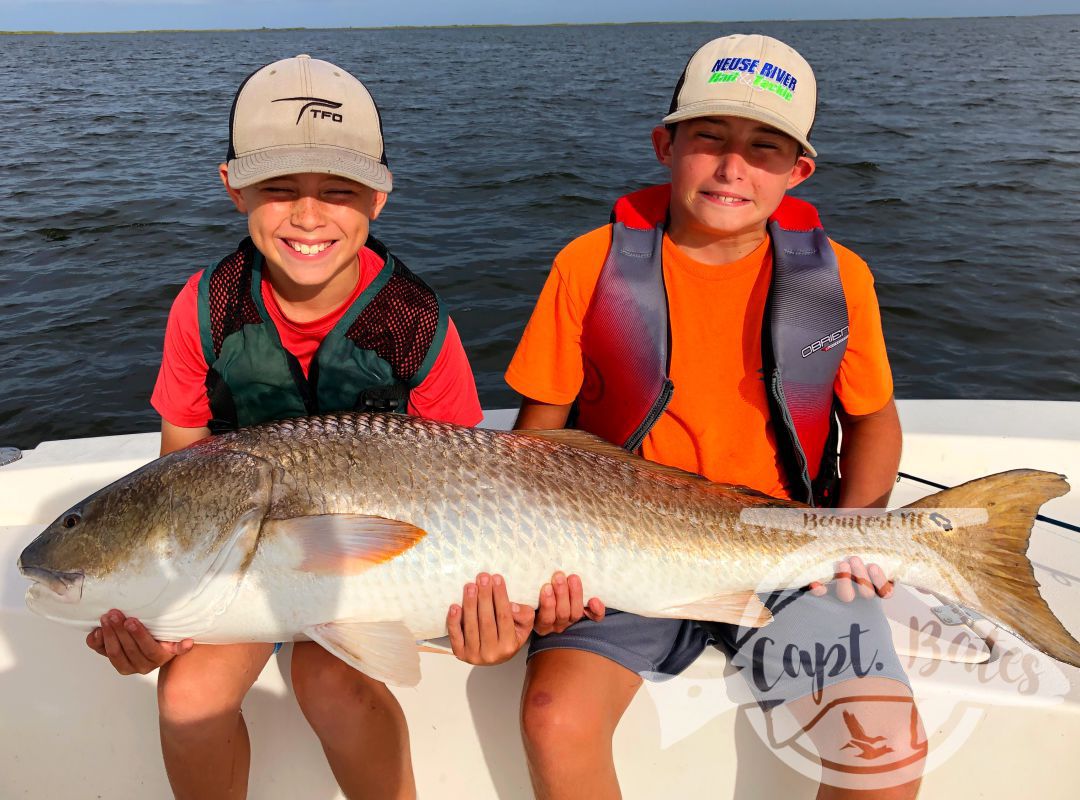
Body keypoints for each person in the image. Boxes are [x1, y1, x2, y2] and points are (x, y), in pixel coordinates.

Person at [79, 54, 572, 800]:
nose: (308, 216)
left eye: (338, 191)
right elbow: (176, 481)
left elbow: (478, 480)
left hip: (378, 571)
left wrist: (498, 618)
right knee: (185, 698)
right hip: (234, 570)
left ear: (379, 197)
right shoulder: (204, 309)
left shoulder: (417, 323)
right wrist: (159, 615)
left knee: (328, 681)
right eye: (279, 189)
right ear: (232, 185)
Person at [504, 34, 922, 799]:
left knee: (886, 749)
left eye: (764, 148)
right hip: (613, 543)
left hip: (788, 543)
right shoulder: (585, 264)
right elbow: (535, 442)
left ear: (798, 172)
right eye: (709, 138)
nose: (733, 168)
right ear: (665, 145)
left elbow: (872, 420)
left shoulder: (840, 280)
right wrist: (539, 565)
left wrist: (858, 530)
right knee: (553, 717)